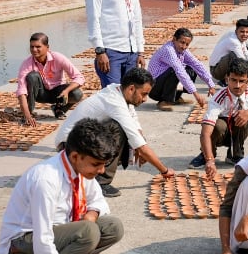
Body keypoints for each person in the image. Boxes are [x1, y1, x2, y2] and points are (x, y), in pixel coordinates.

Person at [0, 118, 125, 254]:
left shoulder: (79, 169)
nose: (101, 171)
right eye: (96, 164)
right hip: (20, 247)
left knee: (112, 227)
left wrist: (91, 214)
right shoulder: (46, 179)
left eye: (104, 165)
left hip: (51, 238)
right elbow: (43, 239)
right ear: (75, 156)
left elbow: (98, 201)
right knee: (88, 232)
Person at [55, 68, 176, 198]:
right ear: (131, 89)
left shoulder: (119, 92)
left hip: (82, 140)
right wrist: (164, 170)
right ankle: (101, 182)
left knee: (129, 133)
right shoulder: (114, 102)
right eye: (144, 94)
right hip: (69, 146)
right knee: (117, 128)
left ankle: (98, 170)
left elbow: (134, 122)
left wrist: (140, 143)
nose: (145, 99)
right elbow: (141, 146)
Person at [189, 58, 248, 173]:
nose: (237, 85)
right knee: (218, 126)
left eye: (241, 81)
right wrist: (210, 160)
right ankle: (208, 153)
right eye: (233, 80)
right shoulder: (219, 98)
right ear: (226, 78)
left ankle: (235, 153)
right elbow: (205, 132)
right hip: (221, 134)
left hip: (238, 132)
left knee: (244, 116)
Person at [16, 32, 85, 126]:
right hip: (41, 93)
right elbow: (22, 91)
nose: (34, 50)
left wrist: (66, 91)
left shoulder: (58, 58)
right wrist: (26, 114)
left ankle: (59, 109)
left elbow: (79, 77)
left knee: (77, 94)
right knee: (32, 76)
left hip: (58, 93)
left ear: (47, 47)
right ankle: (29, 115)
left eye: (38, 47)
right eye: (31, 47)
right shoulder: (27, 63)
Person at [147, 27, 216, 111]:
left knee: (191, 69)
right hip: (154, 87)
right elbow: (180, 71)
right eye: (182, 42)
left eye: (187, 44)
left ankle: (175, 98)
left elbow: (197, 64)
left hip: (161, 82)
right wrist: (196, 94)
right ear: (174, 39)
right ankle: (165, 100)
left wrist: (211, 84)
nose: (184, 47)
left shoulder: (182, 50)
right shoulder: (169, 50)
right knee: (176, 71)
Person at [208, 19, 248, 87]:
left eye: (247, 32)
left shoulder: (243, 39)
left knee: (246, 56)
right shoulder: (233, 41)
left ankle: (233, 79)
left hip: (221, 66)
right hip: (216, 71)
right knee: (235, 57)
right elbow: (243, 60)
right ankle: (226, 81)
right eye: (242, 31)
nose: (245, 34)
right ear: (236, 31)